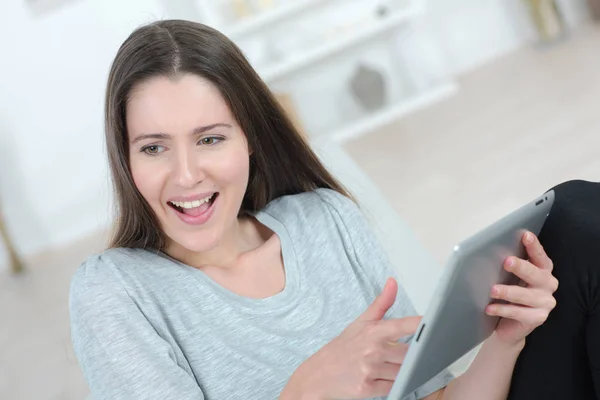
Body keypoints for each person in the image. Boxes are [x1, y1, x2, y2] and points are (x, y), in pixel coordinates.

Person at [69, 20, 565, 400]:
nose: (186, 175)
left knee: (577, 212)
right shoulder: (116, 291)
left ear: (250, 140)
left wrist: (507, 339)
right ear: (126, 158)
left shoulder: (326, 218)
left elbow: (432, 394)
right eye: (154, 148)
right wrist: (305, 389)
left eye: (210, 139)